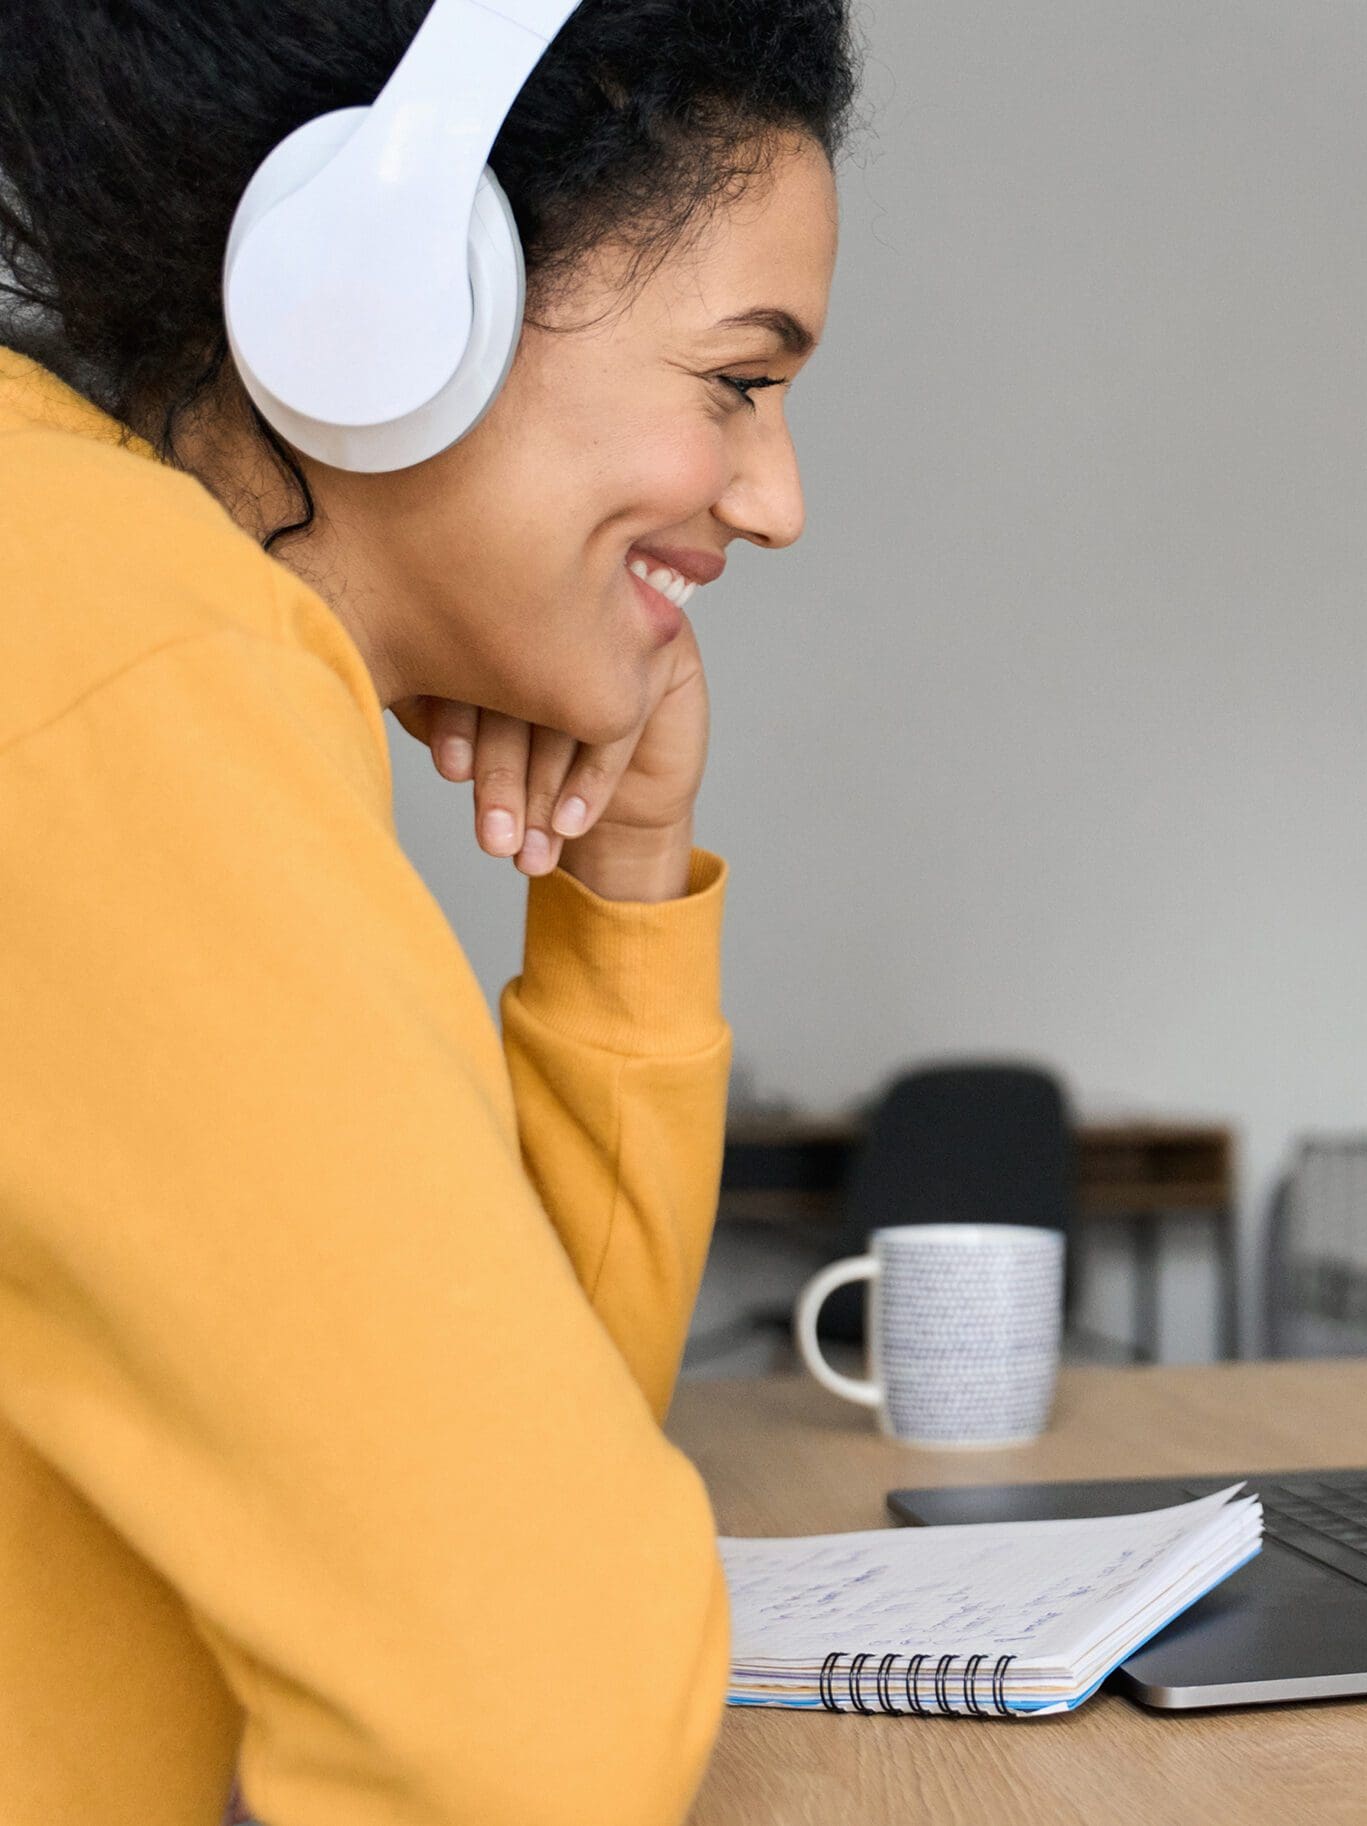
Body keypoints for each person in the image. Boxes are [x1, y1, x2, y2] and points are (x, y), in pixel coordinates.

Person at [0, 5, 856, 1822]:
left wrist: (626, 879)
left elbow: (518, 1455)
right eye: (737, 382)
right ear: (386, 295)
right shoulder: (120, 655)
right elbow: (534, 1709)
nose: (775, 501)